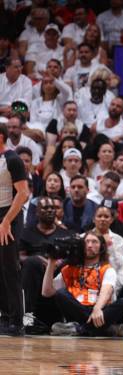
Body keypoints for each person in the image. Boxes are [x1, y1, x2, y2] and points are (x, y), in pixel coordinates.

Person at [40, 231, 123, 336]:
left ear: (101, 247)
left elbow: (107, 292)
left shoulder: (107, 269)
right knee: (61, 293)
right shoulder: (69, 269)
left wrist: (97, 309)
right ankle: (106, 329)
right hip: (77, 310)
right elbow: (46, 292)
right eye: (87, 242)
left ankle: (79, 329)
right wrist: (51, 261)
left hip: (98, 311)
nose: (90, 245)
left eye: (94, 242)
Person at [19, 196, 71, 331]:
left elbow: (71, 257)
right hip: (34, 272)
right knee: (31, 262)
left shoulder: (65, 233)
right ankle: (28, 316)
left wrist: (55, 262)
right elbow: (19, 256)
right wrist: (38, 258)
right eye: (45, 208)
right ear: (36, 212)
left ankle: (66, 318)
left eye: (52, 208)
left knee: (66, 265)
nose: (50, 210)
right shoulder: (26, 232)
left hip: (57, 272)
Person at [0, 123, 30, 336]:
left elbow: (23, 194)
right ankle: (5, 316)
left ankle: (16, 321)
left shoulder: (12, 159)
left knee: (10, 267)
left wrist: (6, 221)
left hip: (9, 216)